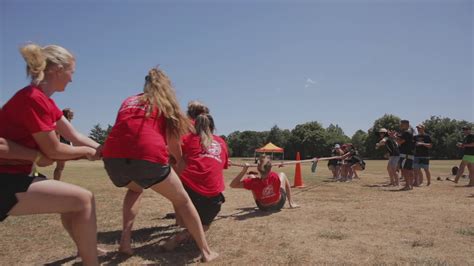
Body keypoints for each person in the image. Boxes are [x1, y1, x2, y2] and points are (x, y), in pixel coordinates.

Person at [101, 67, 218, 262]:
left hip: (113, 158)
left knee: (135, 189)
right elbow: (173, 143)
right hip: (147, 157)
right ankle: (206, 251)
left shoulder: (128, 101)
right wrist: (178, 160)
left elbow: (125, 130)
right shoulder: (166, 104)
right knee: (183, 201)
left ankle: (125, 241)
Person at [0, 43, 102, 265]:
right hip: (5, 178)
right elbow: (53, 150)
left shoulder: (44, 100)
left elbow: (74, 136)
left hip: (17, 175)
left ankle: (86, 251)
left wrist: (104, 150)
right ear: (58, 69)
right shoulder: (33, 98)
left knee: (73, 202)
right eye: (71, 72)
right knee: (84, 199)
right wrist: (86, 152)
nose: (72, 79)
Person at [162, 113, 228, 251]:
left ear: (194, 126)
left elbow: (171, 154)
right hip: (212, 195)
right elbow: (222, 166)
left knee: (185, 199)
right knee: (206, 225)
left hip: (189, 190)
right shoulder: (221, 142)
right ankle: (180, 236)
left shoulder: (187, 138)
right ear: (213, 127)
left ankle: (184, 228)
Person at [229, 155, 299, 211]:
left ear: (258, 168)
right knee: (282, 174)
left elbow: (233, 185)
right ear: (270, 167)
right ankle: (291, 202)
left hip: (263, 207)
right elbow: (266, 171)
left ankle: (262, 199)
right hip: (278, 204)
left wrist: (244, 171)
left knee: (251, 178)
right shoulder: (274, 176)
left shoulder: (253, 182)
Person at [393, 120, 416, 190]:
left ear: (406, 124)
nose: (400, 126)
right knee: (410, 170)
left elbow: (400, 142)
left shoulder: (406, 132)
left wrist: (393, 137)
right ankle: (411, 185)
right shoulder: (411, 132)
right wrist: (396, 136)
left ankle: (407, 185)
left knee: (405, 170)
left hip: (405, 154)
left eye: (401, 124)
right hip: (410, 154)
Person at [54, 108, 74, 180]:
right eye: (72, 113)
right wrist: (58, 144)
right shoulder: (62, 122)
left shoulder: (67, 122)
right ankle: (56, 183)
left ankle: (57, 182)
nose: (73, 114)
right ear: (67, 114)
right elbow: (57, 132)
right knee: (60, 167)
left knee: (61, 167)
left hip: (64, 144)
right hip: (61, 145)